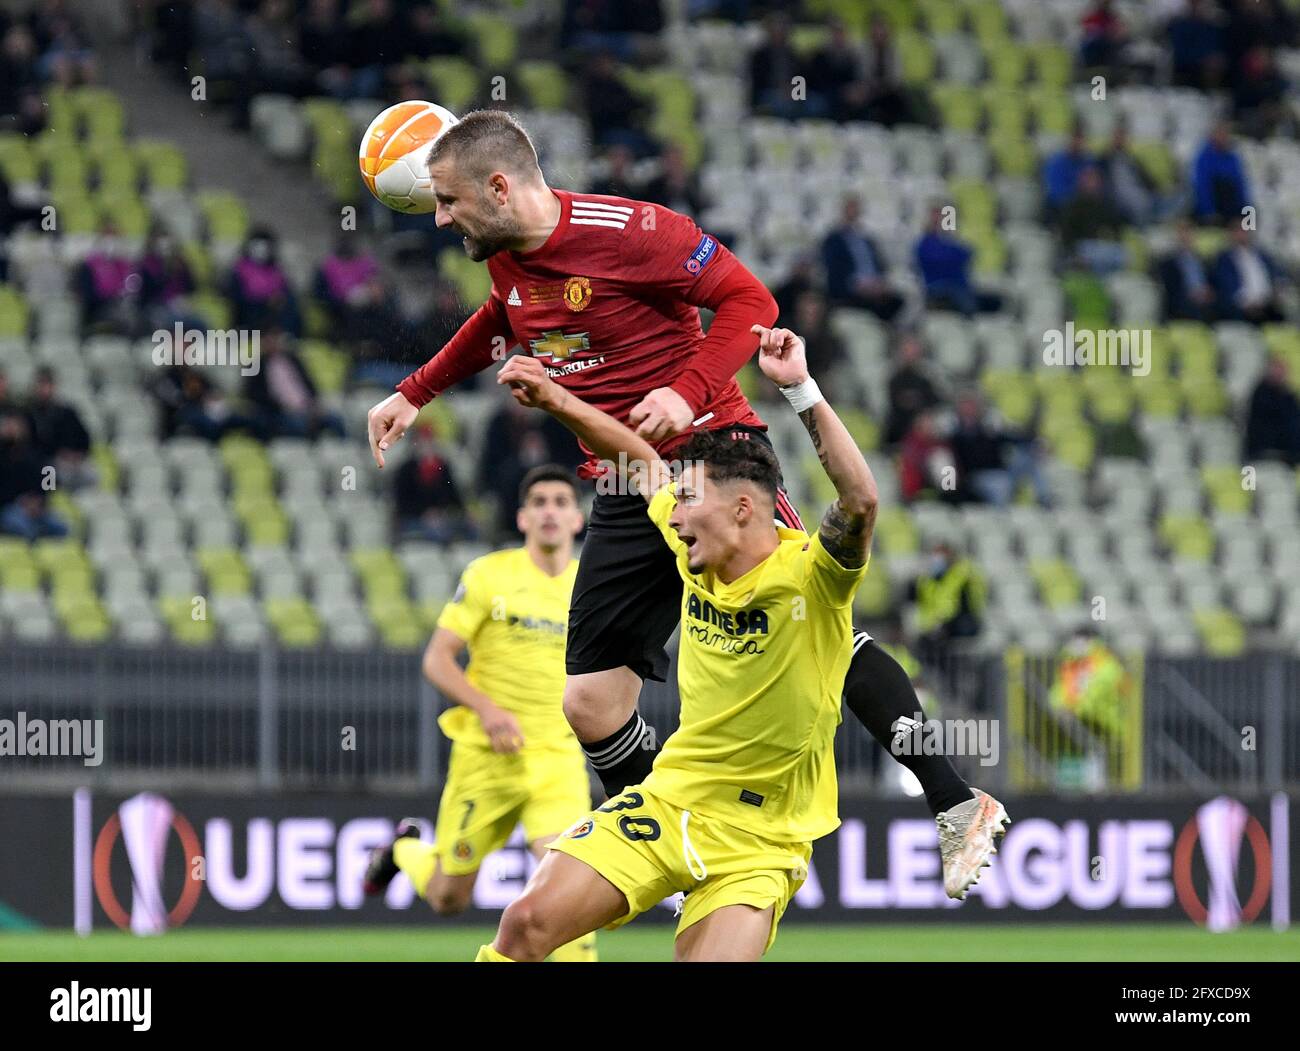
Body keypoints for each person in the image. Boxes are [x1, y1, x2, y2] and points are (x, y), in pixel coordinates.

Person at [365, 111, 985, 884]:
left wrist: (688, 392)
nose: (439, 216)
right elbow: (507, 316)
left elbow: (751, 299)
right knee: (590, 703)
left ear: (499, 187)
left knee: (818, 634)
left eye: (450, 201)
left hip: (714, 462)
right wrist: (416, 390)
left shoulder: (632, 231)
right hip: (626, 481)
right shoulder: (503, 254)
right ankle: (678, 841)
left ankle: (954, 798)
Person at [480, 326, 1006, 961]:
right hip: (671, 800)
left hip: (761, 839)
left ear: (743, 510)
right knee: (525, 926)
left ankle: (950, 797)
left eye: (690, 498)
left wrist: (802, 391)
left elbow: (861, 499)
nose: (673, 515)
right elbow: (637, 461)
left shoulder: (813, 578)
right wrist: (557, 400)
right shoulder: (687, 547)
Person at [363, 465, 597, 962]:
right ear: (522, 517)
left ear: (578, 519)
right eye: (539, 502)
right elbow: (437, 658)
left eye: (560, 502)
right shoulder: (490, 575)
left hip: (556, 759)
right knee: (449, 897)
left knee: (569, 886)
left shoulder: (590, 586)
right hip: (486, 758)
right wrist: (488, 711)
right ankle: (402, 850)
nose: (550, 511)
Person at [820, 195, 904, 320]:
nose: (853, 213)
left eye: (856, 209)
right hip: (851, 290)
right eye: (850, 209)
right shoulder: (834, 239)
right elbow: (834, 270)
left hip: (873, 286)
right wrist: (857, 285)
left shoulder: (867, 240)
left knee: (899, 300)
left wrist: (879, 282)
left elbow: (880, 264)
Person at [392, 421, 476, 543]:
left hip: (442, 517)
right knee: (437, 531)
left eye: (430, 441)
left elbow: (453, 495)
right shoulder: (406, 470)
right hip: (414, 519)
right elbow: (402, 503)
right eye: (423, 441)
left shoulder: (443, 466)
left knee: (469, 527)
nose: (427, 445)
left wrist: (465, 513)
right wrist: (425, 514)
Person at [914, 205, 1002, 315]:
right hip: (938, 289)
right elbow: (938, 260)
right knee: (965, 302)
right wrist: (950, 255)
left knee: (995, 302)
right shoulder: (924, 243)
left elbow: (968, 253)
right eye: (936, 217)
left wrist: (950, 248)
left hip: (961, 288)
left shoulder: (951, 241)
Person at [1212, 222, 1286, 323]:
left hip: (1268, 303)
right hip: (1243, 306)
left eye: (1245, 231)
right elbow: (1225, 284)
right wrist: (1246, 301)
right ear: (1231, 234)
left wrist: (1278, 288)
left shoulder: (1262, 255)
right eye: (1238, 231)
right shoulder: (1224, 258)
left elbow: (1277, 273)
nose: (1242, 234)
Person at [1157, 219, 1217, 322]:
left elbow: (1211, 283)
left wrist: (1208, 292)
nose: (1185, 236)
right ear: (1175, 236)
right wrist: (1192, 295)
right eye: (1182, 232)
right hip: (1183, 303)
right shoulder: (1167, 262)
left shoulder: (1203, 260)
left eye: (1189, 232)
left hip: (1205, 301)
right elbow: (1170, 290)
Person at [1192, 121, 1251, 224]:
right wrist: (1209, 211)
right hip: (1214, 205)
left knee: (1251, 214)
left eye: (1226, 134)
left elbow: (1240, 184)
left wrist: (1245, 206)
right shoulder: (1204, 157)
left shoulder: (1233, 157)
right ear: (1212, 136)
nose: (1223, 137)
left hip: (1231, 206)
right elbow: (1203, 186)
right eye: (1220, 134)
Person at [1244, 357, 1300, 465]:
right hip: (1264, 452)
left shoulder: (1289, 397)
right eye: (1276, 369)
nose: (1279, 373)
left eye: (1281, 370)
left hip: (1288, 455)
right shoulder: (1260, 394)